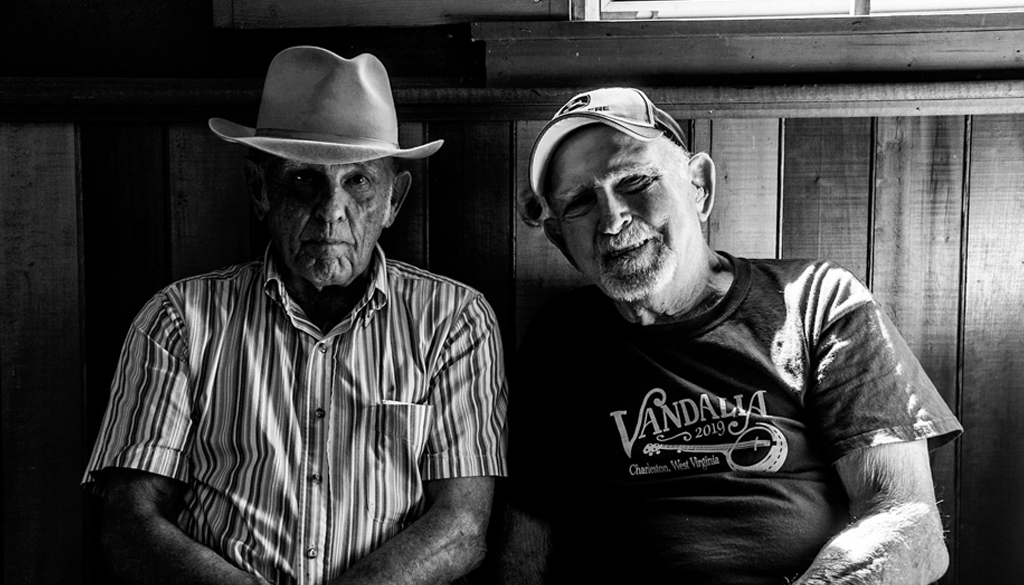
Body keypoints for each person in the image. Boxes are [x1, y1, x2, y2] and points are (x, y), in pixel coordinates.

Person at [500, 87, 962, 584]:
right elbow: (527, 541)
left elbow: (906, 522)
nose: (612, 220)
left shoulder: (816, 300)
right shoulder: (558, 338)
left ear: (698, 186)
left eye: (634, 180)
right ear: (559, 239)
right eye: (580, 202)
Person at [83, 46, 508, 585]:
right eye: (305, 179)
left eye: (358, 181)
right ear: (261, 189)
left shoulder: (455, 320)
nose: (331, 210)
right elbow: (130, 525)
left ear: (394, 200)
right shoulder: (178, 320)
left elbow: (462, 528)